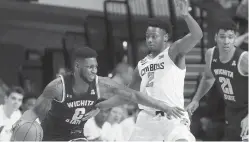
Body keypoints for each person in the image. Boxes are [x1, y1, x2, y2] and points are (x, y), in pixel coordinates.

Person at [12, 47, 184, 141]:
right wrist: (20, 127)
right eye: (90, 67)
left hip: (76, 135)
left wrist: (162, 105)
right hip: (51, 136)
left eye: (96, 66)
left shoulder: (102, 84)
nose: (94, 70)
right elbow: (33, 112)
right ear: (77, 67)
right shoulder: (58, 86)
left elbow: (134, 95)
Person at [96, 0, 203, 141]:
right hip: (147, 119)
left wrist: (186, 15)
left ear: (165, 37)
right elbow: (128, 95)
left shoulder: (174, 51)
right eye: (148, 36)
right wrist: (101, 105)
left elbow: (197, 36)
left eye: (154, 36)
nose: (150, 40)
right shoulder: (142, 64)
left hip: (172, 117)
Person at [186, 22, 248, 141]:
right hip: (232, 110)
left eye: (230, 37)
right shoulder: (211, 54)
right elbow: (208, 78)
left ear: (235, 39)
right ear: (215, 37)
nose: (226, 41)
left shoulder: (244, 59)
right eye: (222, 36)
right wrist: (196, 99)